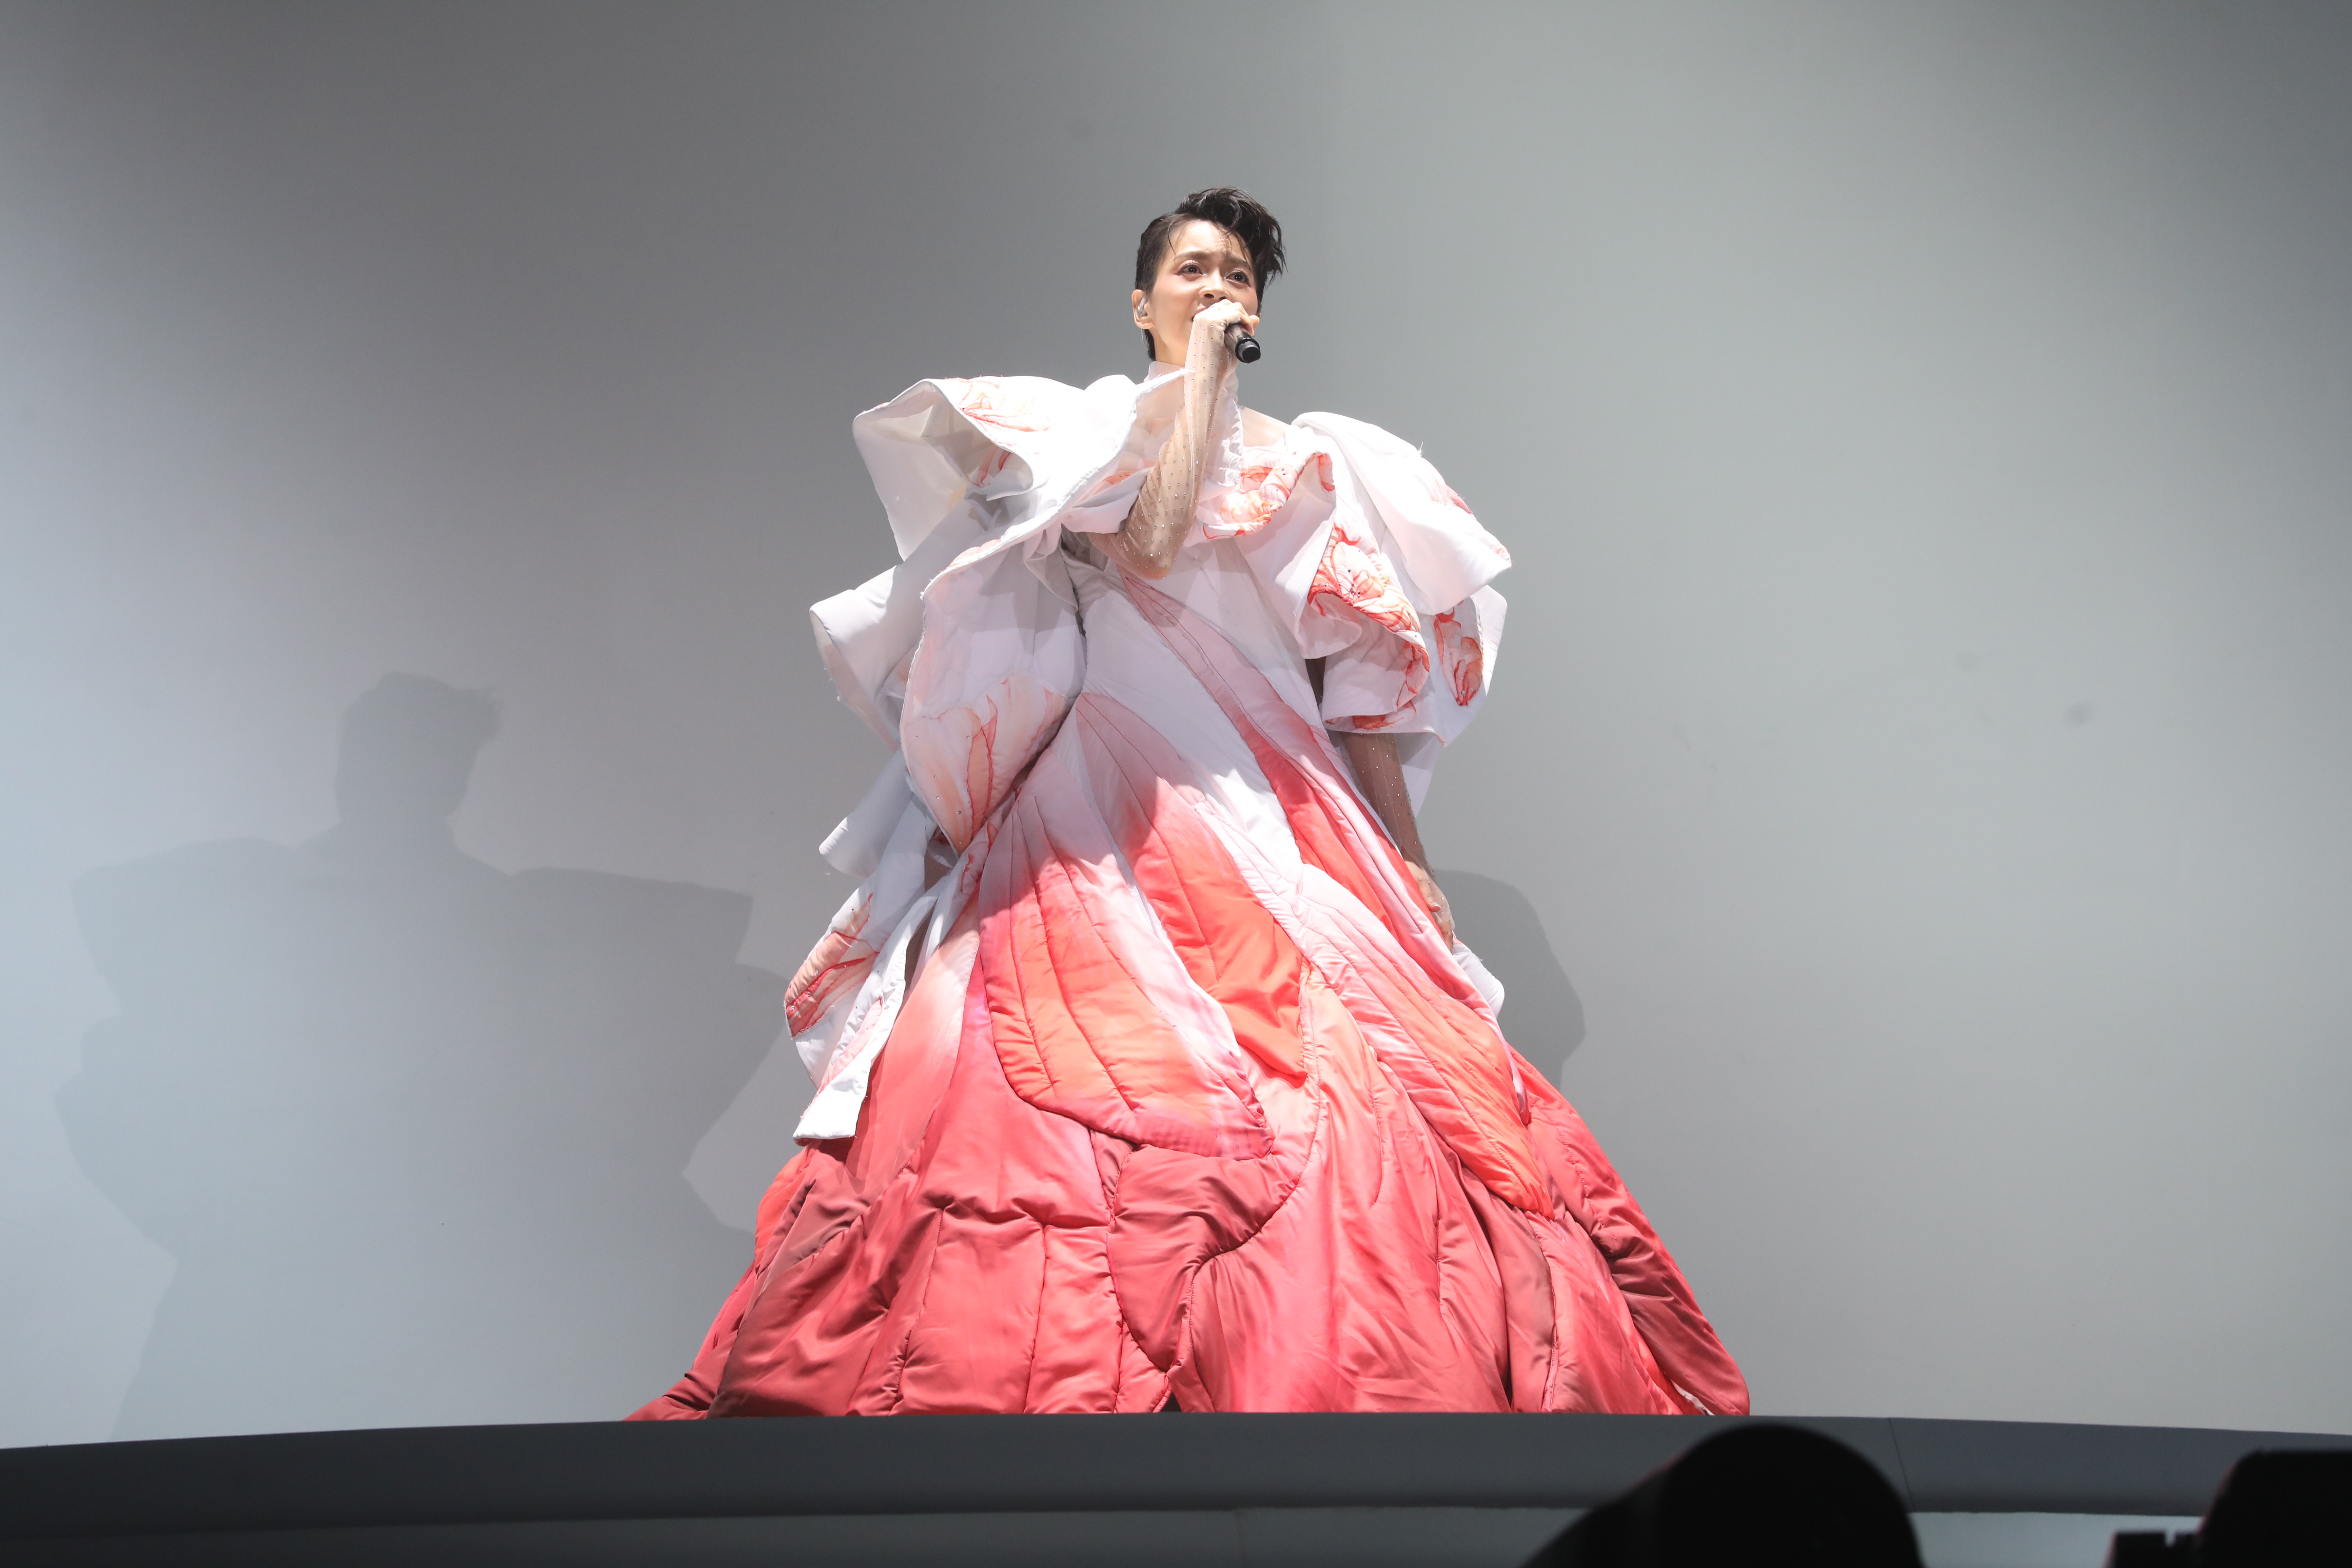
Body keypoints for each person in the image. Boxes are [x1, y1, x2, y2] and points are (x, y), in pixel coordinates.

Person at [632, 189, 1747, 1417]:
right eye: (1193, 272)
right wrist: (1198, 388)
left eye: (1239, 280)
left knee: (1363, 1081)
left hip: (1279, 802)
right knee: (988, 1068)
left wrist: (1408, 855)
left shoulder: (1322, 464)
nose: (1220, 292)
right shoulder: (1077, 443)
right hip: (1099, 808)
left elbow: (1367, 685)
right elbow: (1153, 541)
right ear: (1141, 300)